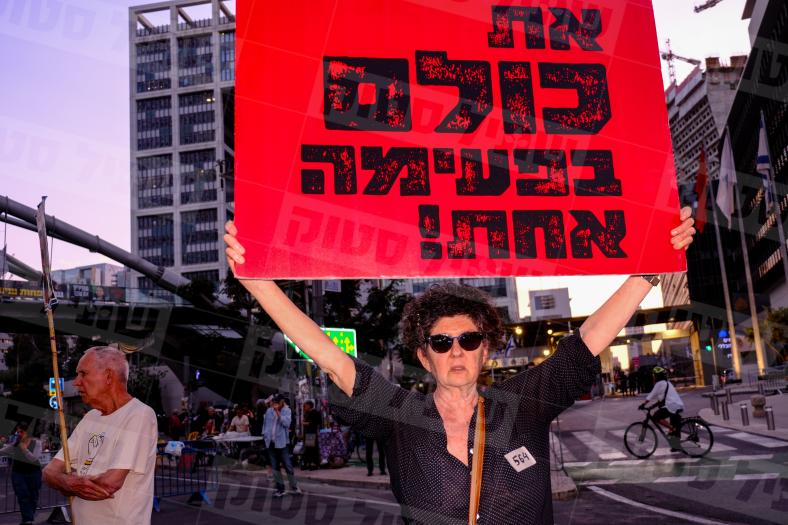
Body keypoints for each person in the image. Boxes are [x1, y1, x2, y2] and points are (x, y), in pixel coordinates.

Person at [224, 207, 694, 524]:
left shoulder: (522, 404)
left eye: (468, 340)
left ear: (485, 350)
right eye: (441, 342)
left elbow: (586, 342)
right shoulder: (400, 414)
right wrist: (259, 284)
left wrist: (651, 267)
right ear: (423, 355)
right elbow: (330, 358)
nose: (456, 351)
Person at [42, 346, 158, 525]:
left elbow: (110, 483)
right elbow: (49, 472)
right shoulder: (90, 417)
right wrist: (69, 483)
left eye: (83, 374)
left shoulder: (139, 414)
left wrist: (65, 482)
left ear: (109, 376)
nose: (76, 382)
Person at [0, 422, 42, 525]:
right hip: (18, 472)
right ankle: (28, 519)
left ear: (28, 432)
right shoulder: (16, 443)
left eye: (21, 432)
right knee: (22, 495)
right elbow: (3, 451)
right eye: (17, 431)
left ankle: (27, 519)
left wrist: (24, 449)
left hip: (34, 472)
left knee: (33, 496)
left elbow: (34, 458)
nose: (18, 433)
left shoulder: (37, 443)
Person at [263, 394, 302, 497]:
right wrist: (265, 436)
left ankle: (294, 487)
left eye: (277, 402)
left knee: (288, 466)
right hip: (270, 442)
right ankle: (280, 489)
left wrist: (277, 412)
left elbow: (286, 424)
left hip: (282, 442)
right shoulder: (269, 411)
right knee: (275, 467)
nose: (275, 404)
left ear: (282, 402)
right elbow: (265, 424)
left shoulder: (287, 410)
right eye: (274, 402)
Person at [640, 366, 685, 448]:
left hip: (672, 405)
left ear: (657, 376)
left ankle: (672, 429)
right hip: (677, 405)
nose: (653, 377)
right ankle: (676, 446)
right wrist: (651, 407)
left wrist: (643, 404)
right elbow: (662, 399)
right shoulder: (667, 383)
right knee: (674, 426)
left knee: (656, 417)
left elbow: (651, 395)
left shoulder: (659, 384)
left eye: (654, 375)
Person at [302, 400, 322, 470]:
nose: (304, 408)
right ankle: (308, 463)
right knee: (308, 448)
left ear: (309, 406)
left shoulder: (314, 413)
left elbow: (313, 423)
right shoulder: (307, 413)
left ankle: (313, 463)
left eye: (305, 406)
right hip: (308, 432)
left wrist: (305, 423)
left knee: (312, 449)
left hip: (311, 432)